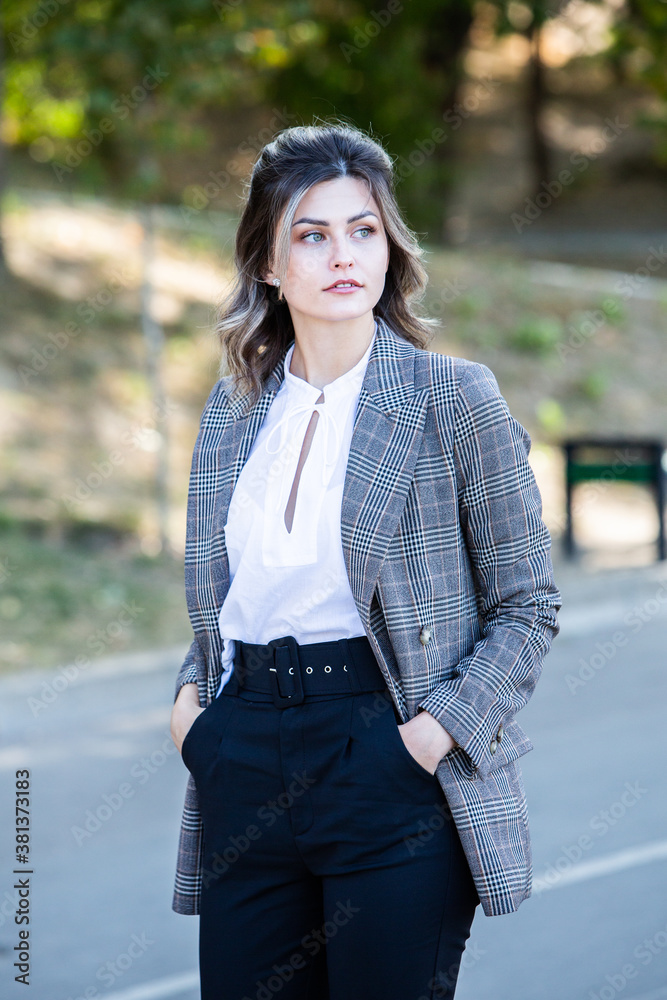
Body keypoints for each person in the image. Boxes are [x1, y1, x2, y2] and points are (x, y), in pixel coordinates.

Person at [169, 122, 561, 1000]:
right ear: (268, 265)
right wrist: (193, 718)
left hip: (386, 760)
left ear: (389, 247)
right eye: (311, 234)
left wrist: (428, 738)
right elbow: (224, 600)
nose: (342, 254)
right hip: (244, 756)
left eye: (363, 229)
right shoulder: (233, 412)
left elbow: (528, 605)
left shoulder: (451, 397)